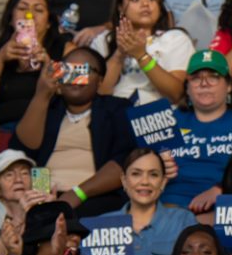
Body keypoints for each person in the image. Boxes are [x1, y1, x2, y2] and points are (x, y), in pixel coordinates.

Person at [11, 46, 137, 215]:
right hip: (42, 195)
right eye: (67, 70)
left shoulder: (116, 108)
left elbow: (125, 160)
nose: (75, 77)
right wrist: (41, 95)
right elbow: (24, 150)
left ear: (100, 80)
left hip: (94, 199)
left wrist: (76, 194)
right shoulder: (49, 108)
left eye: (83, 70)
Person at [164, 50, 232, 212]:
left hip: (228, 204)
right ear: (187, 88)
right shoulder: (169, 121)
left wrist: (220, 190)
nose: (204, 83)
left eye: (213, 77)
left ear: (228, 86)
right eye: (196, 78)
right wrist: (159, 164)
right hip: (171, 203)